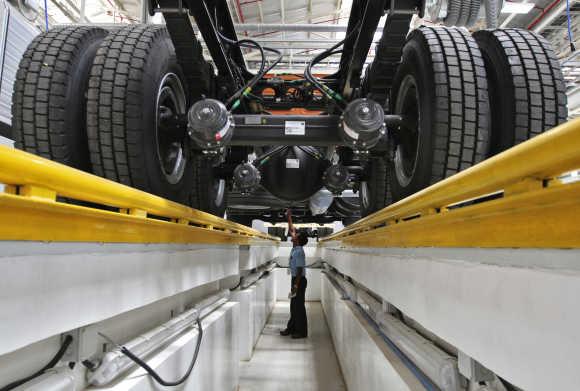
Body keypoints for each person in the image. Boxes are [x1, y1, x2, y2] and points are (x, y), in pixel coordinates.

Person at [280, 209, 308, 339]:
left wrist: (295, 286)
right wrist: (289, 217)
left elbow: (300, 271)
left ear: (298, 240)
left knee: (299, 307)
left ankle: (301, 332)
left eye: (295, 235)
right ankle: (291, 328)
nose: (293, 235)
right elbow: (291, 229)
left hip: (299, 281)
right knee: (294, 305)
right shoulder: (295, 247)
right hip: (295, 280)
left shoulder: (299, 252)